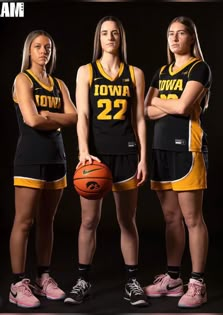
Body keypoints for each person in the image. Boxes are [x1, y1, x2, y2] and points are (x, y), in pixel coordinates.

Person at [64, 16, 148, 307]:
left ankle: (132, 281)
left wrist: (143, 158)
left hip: (126, 154)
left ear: (121, 38)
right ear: (98, 39)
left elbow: (138, 118)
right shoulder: (86, 71)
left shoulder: (134, 73)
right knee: (89, 220)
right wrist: (82, 151)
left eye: (114, 33)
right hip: (95, 157)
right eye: (104, 33)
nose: (110, 37)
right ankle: (83, 279)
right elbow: (83, 116)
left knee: (127, 220)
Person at [143, 16, 212, 309]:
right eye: (171, 33)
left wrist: (162, 103)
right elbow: (146, 110)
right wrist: (165, 103)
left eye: (180, 33)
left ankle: (197, 282)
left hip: (187, 148)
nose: (174, 38)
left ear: (191, 38)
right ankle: (173, 278)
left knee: (192, 218)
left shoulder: (199, 67)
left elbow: (184, 107)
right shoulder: (162, 71)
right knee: (171, 218)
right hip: (160, 149)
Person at [9, 30, 77, 308]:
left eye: (47, 47)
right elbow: (31, 121)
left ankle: (43, 277)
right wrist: (54, 119)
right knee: (24, 221)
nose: (43, 51)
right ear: (29, 50)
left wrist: (48, 115)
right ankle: (17, 283)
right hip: (30, 157)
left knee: (47, 223)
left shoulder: (58, 83)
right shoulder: (22, 79)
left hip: (56, 158)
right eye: (37, 46)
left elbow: (74, 117)